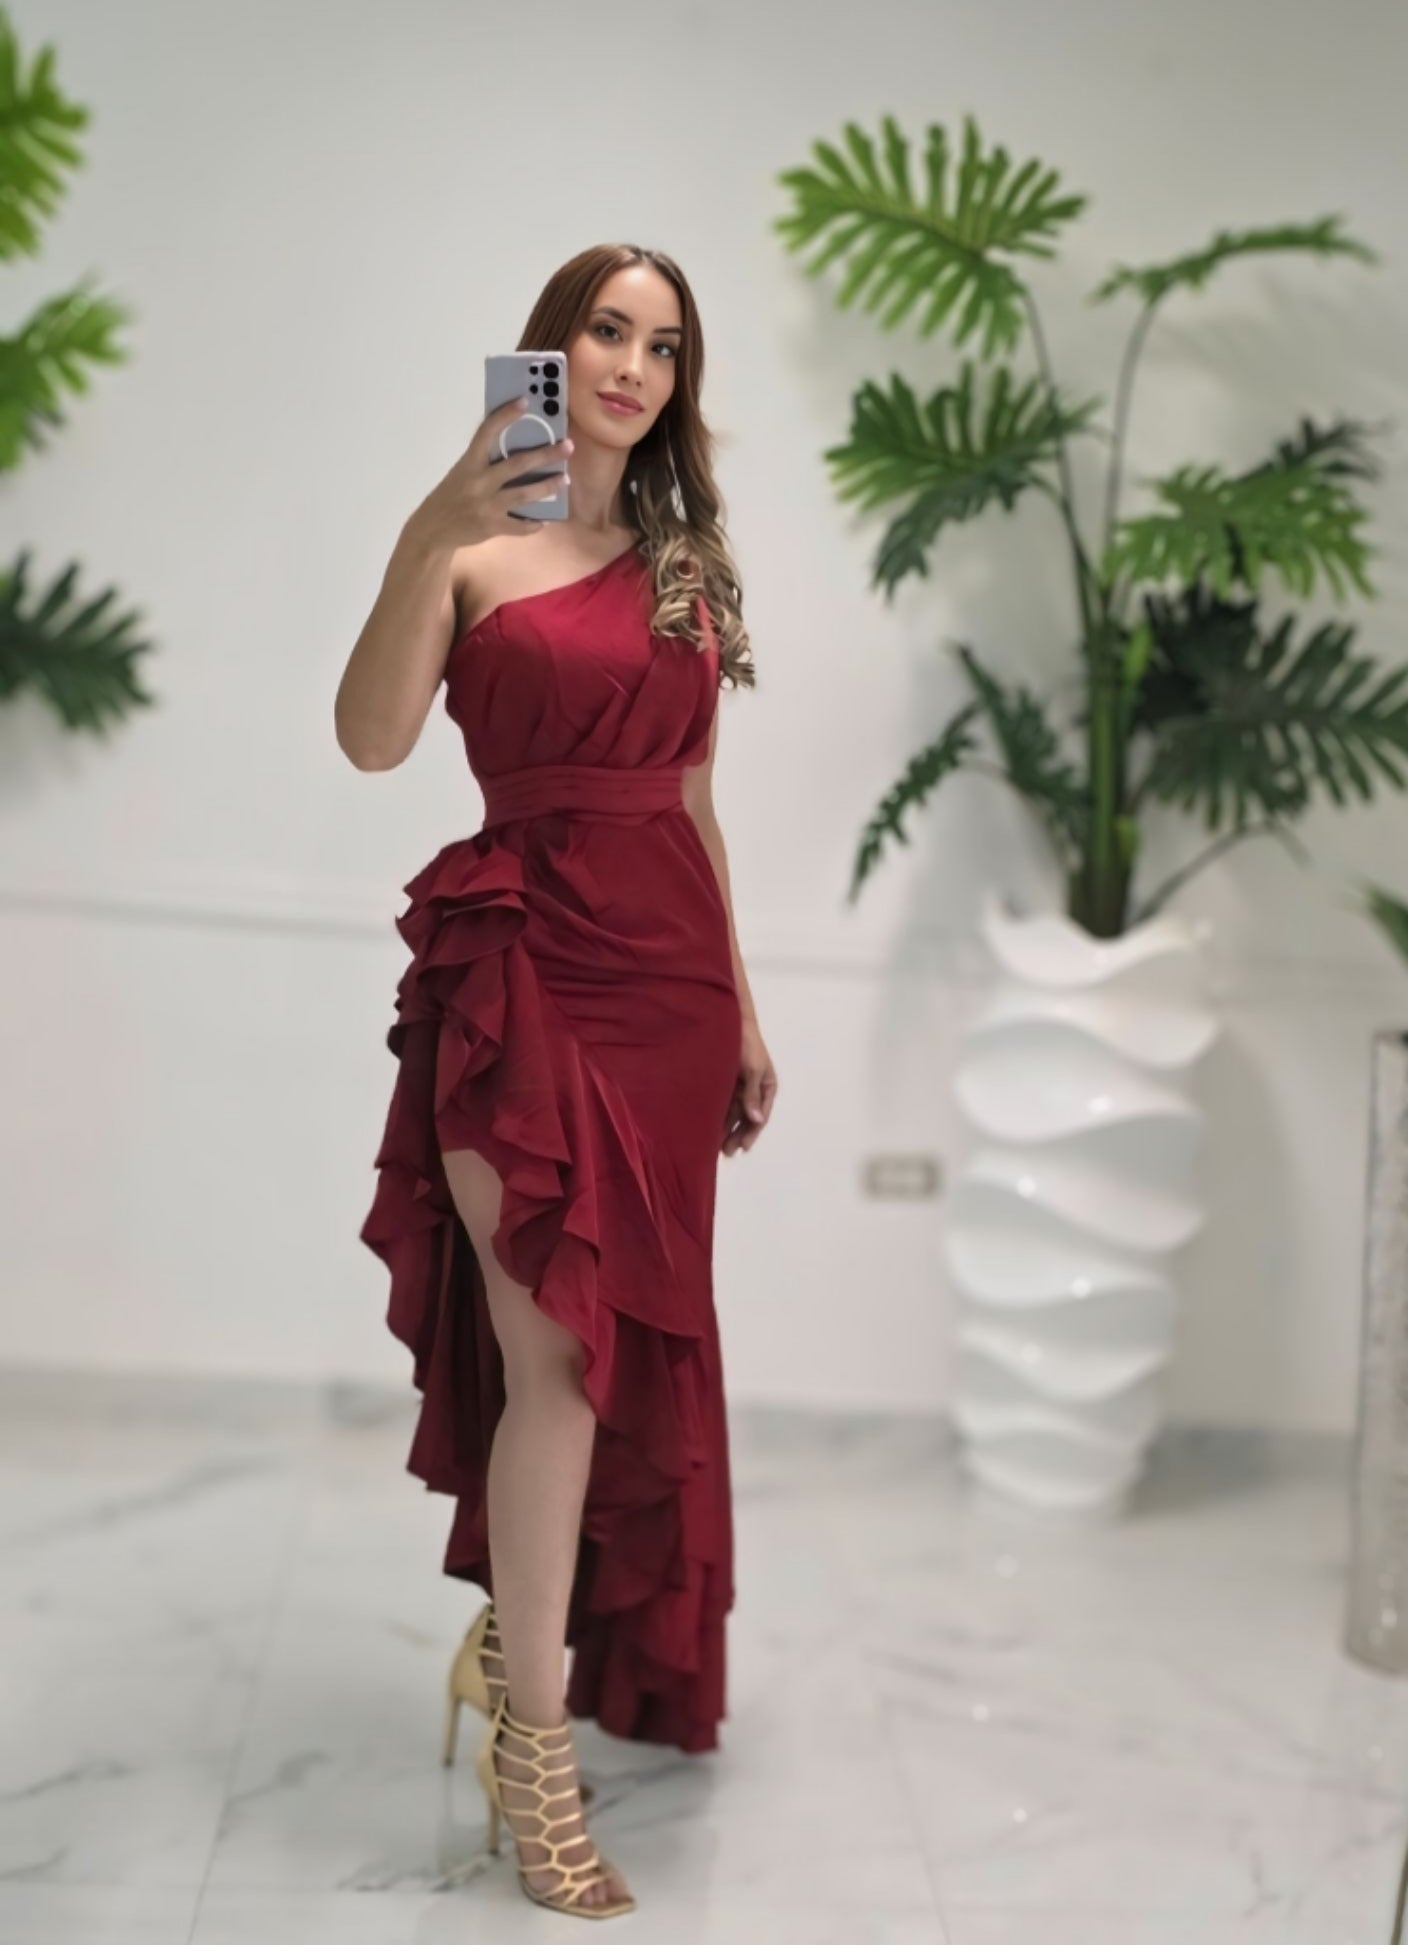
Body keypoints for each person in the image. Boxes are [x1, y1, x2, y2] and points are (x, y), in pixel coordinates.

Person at [335, 244, 777, 1918]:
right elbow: (371, 738)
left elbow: (696, 802)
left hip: (669, 991)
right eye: (607, 329)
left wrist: (743, 1007)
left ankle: (512, 1655)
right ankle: (538, 1753)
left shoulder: (687, 568)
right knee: (561, 1362)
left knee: (611, 1354)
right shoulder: (469, 547)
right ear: (551, 347)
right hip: (520, 969)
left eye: (663, 346)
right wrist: (427, 523)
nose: (632, 366)